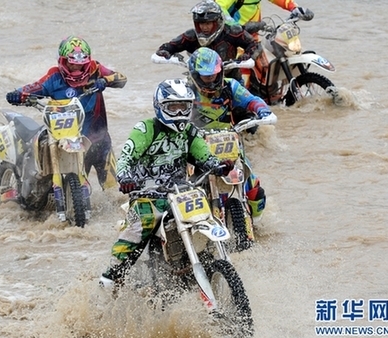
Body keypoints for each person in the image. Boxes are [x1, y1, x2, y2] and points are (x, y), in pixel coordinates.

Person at [99, 79, 235, 287]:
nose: (180, 113)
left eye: (184, 107)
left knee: (210, 214)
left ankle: (214, 260)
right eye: (173, 107)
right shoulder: (146, 129)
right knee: (138, 228)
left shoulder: (190, 132)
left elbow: (204, 156)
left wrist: (219, 165)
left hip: (181, 193)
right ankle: (110, 278)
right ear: (160, 107)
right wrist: (125, 178)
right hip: (147, 195)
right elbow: (126, 158)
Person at [6, 35, 127, 190]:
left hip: (99, 140)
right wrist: (17, 94)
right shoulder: (54, 76)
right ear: (63, 61)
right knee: (73, 188)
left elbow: (121, 79)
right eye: (72, 64)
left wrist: (105, 81)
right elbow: (33, 87)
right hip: (66, 142)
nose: (76, 68)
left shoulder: (95, 69)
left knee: (114, 191)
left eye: (81, 65)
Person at [187, 47, 275, 226]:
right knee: (183, 189)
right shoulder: (185, 90)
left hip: (230, 143)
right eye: (205, 76)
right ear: (195, 75)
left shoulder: (230, 86)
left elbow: (251, 100)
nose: (210, 80)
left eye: (213, 75)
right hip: (196, 146)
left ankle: (256, 224)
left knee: (255, 191)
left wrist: (262, 110)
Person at [155, 0, 259, 82]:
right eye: (201, 23)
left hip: (229, 79)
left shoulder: (232, 32)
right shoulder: (191, 36)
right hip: (198, 80)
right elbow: (169, 46)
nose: (204, 27)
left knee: (243, 105)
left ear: (217, 22)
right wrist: (165, 52)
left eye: (208, 23)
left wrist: (247, 55)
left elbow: (253, 44)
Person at [215, 0, 313, 27]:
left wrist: (294, 8)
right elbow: (218, 7)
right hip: (235, 35)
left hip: (254, 33)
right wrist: (233, 24)